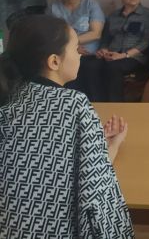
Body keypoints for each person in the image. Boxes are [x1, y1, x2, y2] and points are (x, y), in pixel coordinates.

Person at [0, 15, 133, 237]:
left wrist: (99, 145)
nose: (80, 53)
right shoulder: (75, 105)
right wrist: (113, 146)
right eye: (75, 48)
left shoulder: (9, 99)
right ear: (54, 61)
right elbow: (95, 193)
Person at [49, 0, 106, 101]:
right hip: (64, 53)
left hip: (89, 54)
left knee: (89, 69)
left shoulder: (91, 5)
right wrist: (72, 48)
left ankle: (96, 106)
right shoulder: (53, 7)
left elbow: (96, 33)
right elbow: (50, 34)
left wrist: (72, 45)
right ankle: (69, 106)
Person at [96, 0, 149, 101]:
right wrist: (103, 49)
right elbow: (106, 38)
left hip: (134, 57)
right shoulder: (113, 15)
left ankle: (116, 105)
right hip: (112, 54)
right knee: (91, 66)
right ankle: (95, 103)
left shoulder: (148, 14)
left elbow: (146, 41)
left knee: (113, 67)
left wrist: (123, 55)